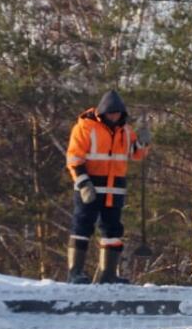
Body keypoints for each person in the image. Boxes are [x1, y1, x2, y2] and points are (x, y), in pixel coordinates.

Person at [65, 89, 151, 284]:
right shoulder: (85, 128)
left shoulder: (126, 131)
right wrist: (83, 182)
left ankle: (108, 275)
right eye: (111, 112)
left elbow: (136, 154)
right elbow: (74, 158)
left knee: (113, 229)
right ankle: (75, 272)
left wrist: (144, 143)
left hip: (115, 189)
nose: (115, 116)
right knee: (82, 226)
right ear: (102, 112)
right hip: (90, 188)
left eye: (118, 113)